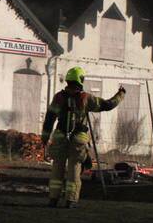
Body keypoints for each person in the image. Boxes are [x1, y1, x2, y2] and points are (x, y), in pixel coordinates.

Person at [41, 67, 125, 208]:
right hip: (78, 139)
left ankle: (53, 199)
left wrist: (45, 138)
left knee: (57, 167)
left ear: (68, 80)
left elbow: (49, 118)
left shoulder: (58, 97)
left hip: (60, 136)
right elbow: (107, 105)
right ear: (80, 80)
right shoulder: (86, 98)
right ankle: (70, 201)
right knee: (74, 168)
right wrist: (121, 94)